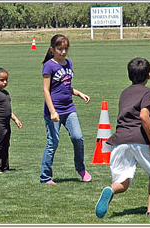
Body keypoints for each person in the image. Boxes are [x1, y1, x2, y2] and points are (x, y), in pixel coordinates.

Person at [95, 57, 150, 218]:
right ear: (148, 75)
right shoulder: (149, 92)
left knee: (123, 182)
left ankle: (111, 190)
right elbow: (143, 116)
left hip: (120, 140)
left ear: (129, 75)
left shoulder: (124, 93)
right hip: (140, 141)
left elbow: (129, 121)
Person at [40, 34, 91, 184]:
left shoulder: (69, 63)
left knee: (78, 137)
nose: (63, 52)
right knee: (53, 142)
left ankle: (81, 169)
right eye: (59, 49)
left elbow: (65, 85)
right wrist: (52, 111)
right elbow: (46, 90)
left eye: (65, 48)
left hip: (69, 108)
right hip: (54, 110)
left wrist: (78, 93)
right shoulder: (49, 65)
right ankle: (45, 177)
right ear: (52, 49)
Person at [0, 67, 22, 173]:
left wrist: (15, 119)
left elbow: (9, 110)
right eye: (2, 80)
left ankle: (5, 166)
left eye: (6, 80)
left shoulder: (6, 93)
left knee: (6, 145)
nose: (5, 82)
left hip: (6, 124)